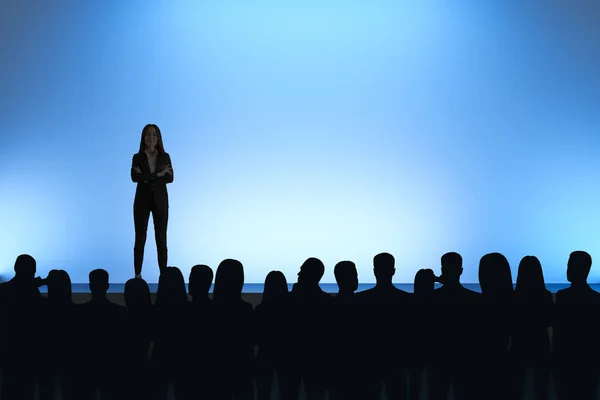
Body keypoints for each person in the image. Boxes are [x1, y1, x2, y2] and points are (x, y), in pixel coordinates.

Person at [131, 124, 174, 278]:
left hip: (160, 201)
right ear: (143, 137)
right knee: (140, 238)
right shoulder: (137, 157)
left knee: (161, 238)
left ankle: (163, 275)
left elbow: (170, 178)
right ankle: (137, 275)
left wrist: (147, 177)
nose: (151, 137)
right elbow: (135, 177)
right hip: (142, 202)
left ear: (158, 138)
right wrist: (158, 175)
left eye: (154, 134)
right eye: (148, 134)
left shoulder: (165, 156)